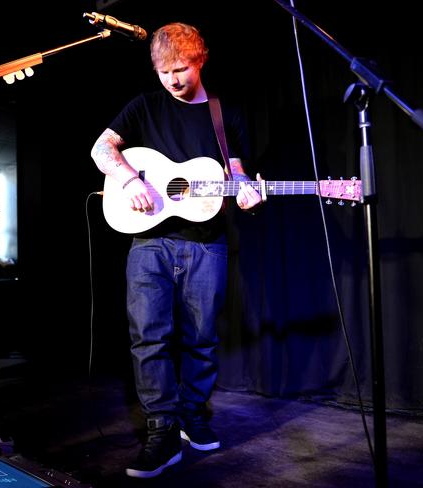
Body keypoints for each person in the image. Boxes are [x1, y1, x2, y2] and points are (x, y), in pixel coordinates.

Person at [90, 22, 263, 478]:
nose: (173, 79)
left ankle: (192, 415)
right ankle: (162, 430)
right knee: (149, 337)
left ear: (200, 58)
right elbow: (101, 150)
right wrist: (129, 179)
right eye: (164, 71)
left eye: (181, 68)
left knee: (203, 337)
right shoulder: (144, 107)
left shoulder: (224, 116)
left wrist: (246, 192)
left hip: (207, 246)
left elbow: (238, 174)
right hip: (149, 242)